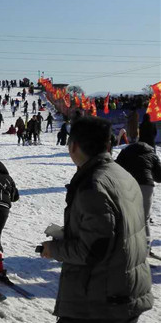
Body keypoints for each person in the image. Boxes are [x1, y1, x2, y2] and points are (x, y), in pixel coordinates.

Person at [40, 117, 153, 323]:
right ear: (108, 144)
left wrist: (53, 249)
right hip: (123, 292)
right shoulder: (122, 175)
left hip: (99, 302)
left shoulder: (94, 185)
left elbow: (93, 249)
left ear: (73, 146)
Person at [116, 140, 161, 255]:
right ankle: (145, 250)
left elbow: (116, 168)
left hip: (128, 185)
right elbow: (159, 176)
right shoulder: (151, 154)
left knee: (127, 217)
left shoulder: (125, 152)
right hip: (146, 186)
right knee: (144, 219)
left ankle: (125, 248)